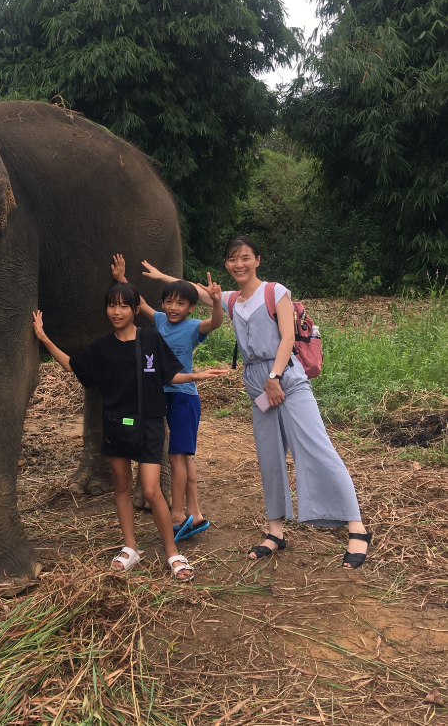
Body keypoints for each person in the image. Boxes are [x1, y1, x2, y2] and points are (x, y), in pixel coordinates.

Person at [32, 282, 226, 581]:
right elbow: (73, 366)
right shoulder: (101, 347)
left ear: (136, 310)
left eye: (124, 306)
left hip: (149, 423)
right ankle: (130, 546)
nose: (117, 311)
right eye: (112, 305)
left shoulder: (150, 338)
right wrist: (44, 337)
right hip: (115, 426)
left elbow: (169, 373)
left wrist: (198, 375)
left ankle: (172, 553)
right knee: (122, 486)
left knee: (150, 490)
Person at [216, 236, 370, 567]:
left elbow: (287, 336)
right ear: (226, 264)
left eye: (245, 257)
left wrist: (274, 377)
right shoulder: (230, 300)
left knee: (315, 447)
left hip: (285, 376)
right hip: (256, 383)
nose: (238, 264)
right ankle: (275, 533)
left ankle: (356, 527)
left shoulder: (275, 291)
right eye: (231, 259)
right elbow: (190, 292)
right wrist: (156, 277)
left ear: (257, 259)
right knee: (269, 456)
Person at [111, 254, 226, 542]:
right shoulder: (161, 320)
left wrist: (215, 301)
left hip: (184, 396)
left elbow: (216, 322)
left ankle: (177, 515)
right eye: (169, 302)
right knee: (183, 457)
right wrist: (122, 280)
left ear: (190, 307)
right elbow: (141, 304)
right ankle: (195, 512)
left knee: (177, 456)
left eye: (181, 303)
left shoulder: (193, 326)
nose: (174, 308)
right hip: (162, 394)